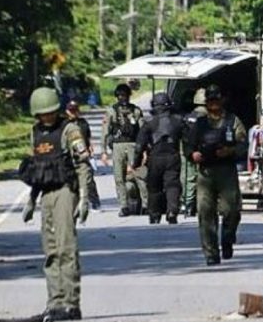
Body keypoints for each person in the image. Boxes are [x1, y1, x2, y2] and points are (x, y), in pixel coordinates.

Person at [0, 87, 90, 322]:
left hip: (65, 191)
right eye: (42, 114)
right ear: (36, 114)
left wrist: (84, 197)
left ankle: (71, 304)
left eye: (50, 112)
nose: (47, 117)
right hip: (46, 194)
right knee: (50, 250)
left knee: (66, 247)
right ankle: (54, 303)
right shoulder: (36, 133)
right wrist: (31, 200)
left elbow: (82, 165)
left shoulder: (69, 130)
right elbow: (38, 168)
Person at [185, 85, 247, 265]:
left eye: (216, 100)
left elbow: (243, 143)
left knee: (231, 210)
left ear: (222, 100)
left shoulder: (232, 121)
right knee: (205, 212)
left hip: (226, 171)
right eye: (210, 100)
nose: (213, 104)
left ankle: (227, 238)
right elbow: (188, 144)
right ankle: (211, 252)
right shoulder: (200, 124)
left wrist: (230, 151)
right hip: (206, 172)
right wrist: (192, 155)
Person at [133, 92, 185, 224]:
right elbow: (189, 139)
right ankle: (172, 210)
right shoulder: (178, 121)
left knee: (154, 187)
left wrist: (136, 163)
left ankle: (155, 214)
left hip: (155, 157)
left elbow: (139, 146)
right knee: (172, 184)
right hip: (172, 156)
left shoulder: (149, 123)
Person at [101, 83, 148, 216]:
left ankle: (145, 204)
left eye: (125, 95)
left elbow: (143, 131)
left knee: (139, 175)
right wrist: (104, 151)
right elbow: (105, 132)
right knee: (119, 177)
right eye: (120, 95)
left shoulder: (136, 111)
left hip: (133, 145)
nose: (123, 98)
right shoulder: (111, 111)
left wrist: (144, 149)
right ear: (117, 97)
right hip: (118, 146)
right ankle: (124, 205)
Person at [66, 100, 100, 210]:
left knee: (88, 179)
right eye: (71, 111)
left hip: (83, 154)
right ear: (67, 111)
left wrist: (90, 149)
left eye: (75, 110)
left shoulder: (83, 123)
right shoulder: (64, 124)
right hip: (69, 156)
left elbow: (87, 137)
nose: (73, 113)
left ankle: (94, 202)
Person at [180, 88, 207, 217]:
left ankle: (188, 204)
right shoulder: (210, 117)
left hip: (188, 151)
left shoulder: (188, 117)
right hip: (205, 151)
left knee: (188, 178)